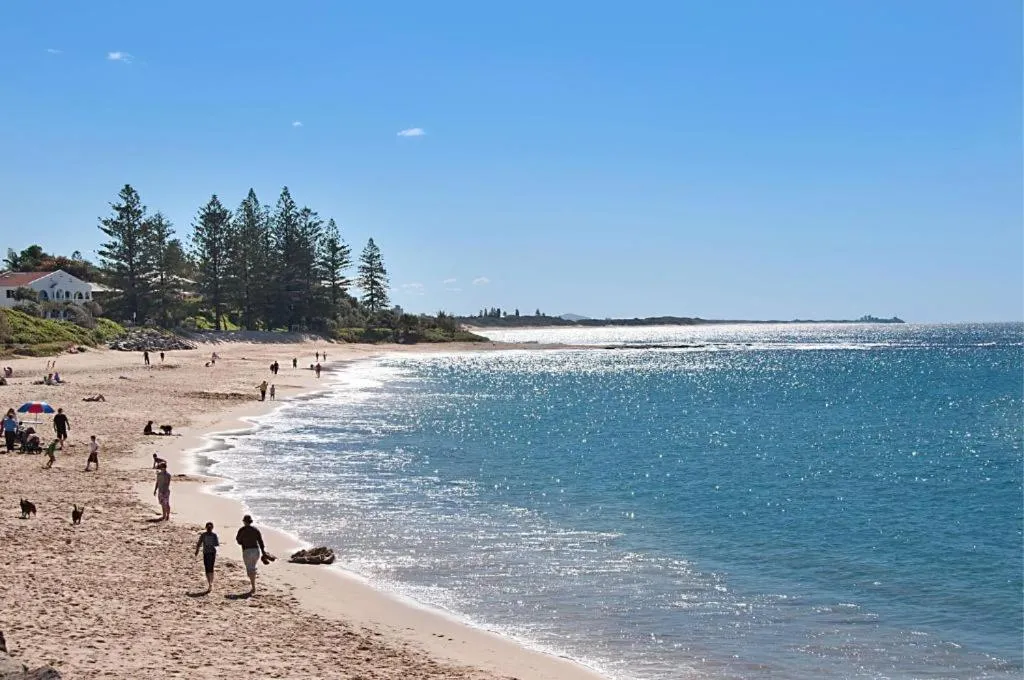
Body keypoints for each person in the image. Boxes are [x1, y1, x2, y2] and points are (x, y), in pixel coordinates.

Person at [235, 515, 268, 594]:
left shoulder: (242, 530)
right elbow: (260, 541)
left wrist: (244, 541)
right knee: (252, 567)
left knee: (249, 569)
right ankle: (253, 583)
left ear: (244, 521)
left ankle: (253, 587)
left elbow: (238, 541)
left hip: (247, 550)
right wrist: (263, 553)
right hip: (256, 550)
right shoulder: (255, 530)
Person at [194, 522, 220, 592]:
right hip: (212, 553)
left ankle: (209, 583)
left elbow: (199, 543)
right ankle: (211, 583)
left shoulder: (203, 535)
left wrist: (197, 551)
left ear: (206, 527)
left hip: (206, 553)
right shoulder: (214, 535)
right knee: (211, 568)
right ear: (212, 528)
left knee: (207, 568)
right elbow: (216, 544)